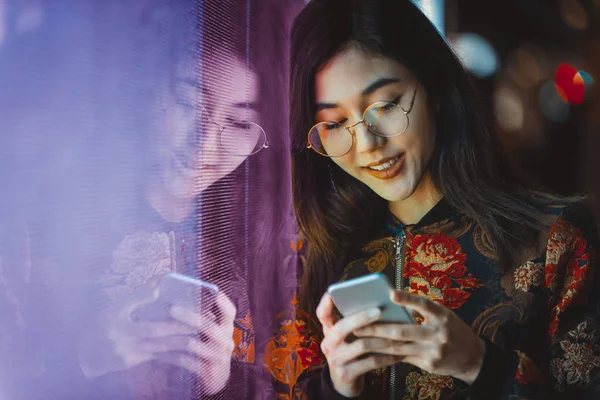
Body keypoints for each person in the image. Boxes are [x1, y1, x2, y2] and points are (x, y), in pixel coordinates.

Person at [287, 0, 600, 399]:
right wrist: (338, 388)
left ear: (432, 86)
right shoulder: (309, 253)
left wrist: (477, 364)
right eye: (333, 123)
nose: (368, 145)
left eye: (385, 105)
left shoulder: (555, 240)